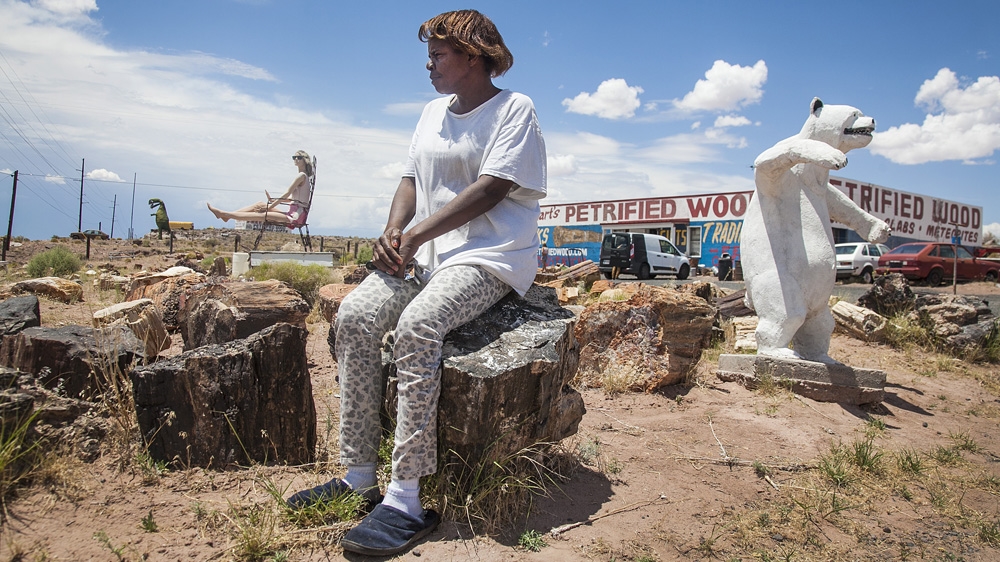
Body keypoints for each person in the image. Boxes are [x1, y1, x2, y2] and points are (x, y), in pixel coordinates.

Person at [285, 9, 546, 557]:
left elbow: (492, 188)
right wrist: (393, 230)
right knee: (354, 318)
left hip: (488, 257)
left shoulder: (514, 110)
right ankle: (359, 475)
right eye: (428, 54)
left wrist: (413, 236)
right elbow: (409, 179)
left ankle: (405, 497)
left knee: (417, 327)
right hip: (425, 254)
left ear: (474, 56)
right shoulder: (431, 112)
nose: (427, 65)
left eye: (438, 55)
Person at [207, 150, 313, 226]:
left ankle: (224, 214)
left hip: (295, 217)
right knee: (260, 204)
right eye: (294, 157)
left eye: (298, 157)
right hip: (294, 212)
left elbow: (286, 194)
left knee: (262, 214)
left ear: (305, 160)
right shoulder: (303, 177)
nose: (295, 159)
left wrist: (269, 208)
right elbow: (291, 199)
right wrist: (272, 201)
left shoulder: (301, 176)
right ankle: (227, 216)